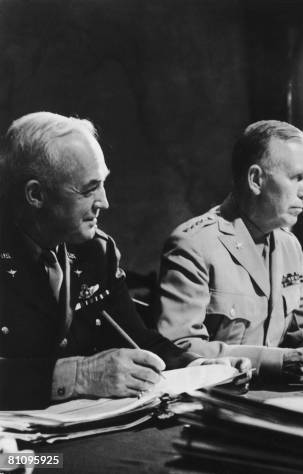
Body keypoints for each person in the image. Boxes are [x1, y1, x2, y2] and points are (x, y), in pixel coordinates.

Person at [0, 112, 249, 410]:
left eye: (103, 184)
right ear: (36, 194)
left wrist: (205, 367)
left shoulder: (95, 252)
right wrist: (79, 375)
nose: (104, 202)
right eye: (89, 189)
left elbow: (136, 338)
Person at [157, 120, 303, 378]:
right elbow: (178, 349)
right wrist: (274, 361)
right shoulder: (194, 245)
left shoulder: (288, 246)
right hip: (213, 402)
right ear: (256, 179)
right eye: (297, 178)